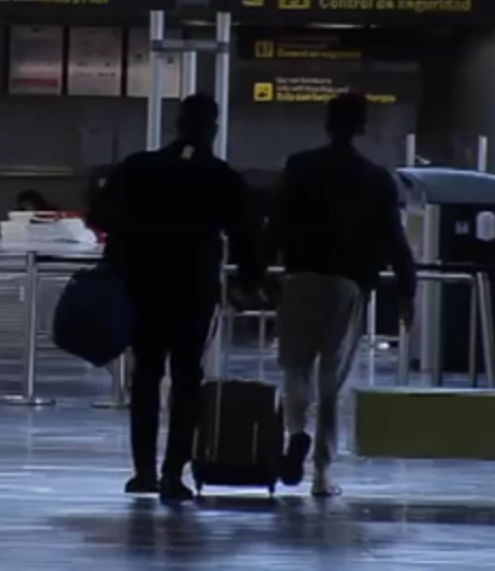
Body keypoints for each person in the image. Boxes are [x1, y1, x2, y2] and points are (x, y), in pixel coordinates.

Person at [89, 94, 263, 502]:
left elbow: (100, 215)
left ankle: (143, 470)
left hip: (143, 285)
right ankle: (173, 473)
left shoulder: (138, 167)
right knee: (187, 378)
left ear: (177, 122)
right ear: (213, 127)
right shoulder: (221, 176)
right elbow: (245, 235)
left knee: (146, 374)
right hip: (193, 287)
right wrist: (248, 281)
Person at [262, 92, 416, 497]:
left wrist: (254, 272)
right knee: (332, 379)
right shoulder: (377, 178)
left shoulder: (299, 167)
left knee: (294, 367)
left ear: (327, 123)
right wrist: (407, 290)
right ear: (362, 127)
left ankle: (296, 432)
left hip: (299, 277)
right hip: (347, 285)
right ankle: (321, 475)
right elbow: (395, 240)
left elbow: (275, 223)